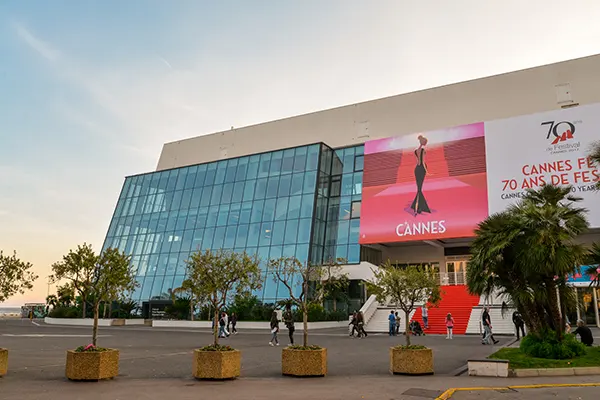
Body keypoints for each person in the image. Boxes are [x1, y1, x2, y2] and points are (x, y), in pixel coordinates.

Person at [410, 135, 431, 215]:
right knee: (419, 189)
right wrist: (427, 171)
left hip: (417, 169)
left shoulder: (415, 151)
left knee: (419, 189)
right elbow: (422, 162)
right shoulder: (423, 150)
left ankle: (417, 207)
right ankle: (418, 208)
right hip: (422, 169)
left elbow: (417, 161)